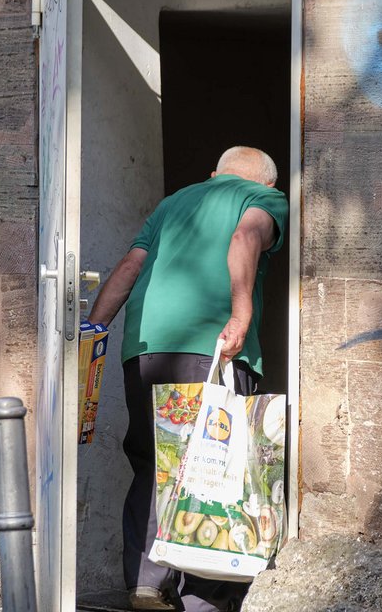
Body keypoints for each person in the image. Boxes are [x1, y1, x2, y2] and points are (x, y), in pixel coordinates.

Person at [86, 146, 288, 612]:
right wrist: (241, 315)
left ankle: (144, 582)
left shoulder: (174, 201)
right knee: (214, 467)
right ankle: (204, 600)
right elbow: (244, 239)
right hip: (209, 350)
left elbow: (129, 268)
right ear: (269, 186)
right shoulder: (262, 199)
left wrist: (92, 334)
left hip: (145, 350)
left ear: (212, 174)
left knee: (153, 464)